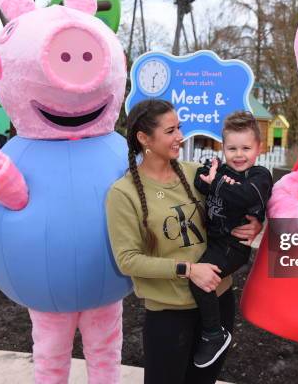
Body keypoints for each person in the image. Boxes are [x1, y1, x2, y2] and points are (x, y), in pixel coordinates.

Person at [106, 99, 262, 384]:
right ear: (144, 139)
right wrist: (188, 270)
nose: (180, 136)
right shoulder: (123, 193)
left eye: (179, 127)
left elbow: (240, 203)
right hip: (169, 316)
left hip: (218, 303)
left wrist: (254, 223)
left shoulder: (197, 173)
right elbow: (127, 259)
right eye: (170, 131)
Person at [190, 111, 272, 368]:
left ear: (259, 148)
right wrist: (208, 175)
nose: (239, 155)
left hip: (234, 247)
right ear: (223, 147)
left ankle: (214, 334)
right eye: (232, 148)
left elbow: (244, 197)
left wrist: (217, 183)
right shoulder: (221, 169)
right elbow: (201, 181)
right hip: (214, 240)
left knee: (201, 281)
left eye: (246, 148)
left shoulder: (259, 176)